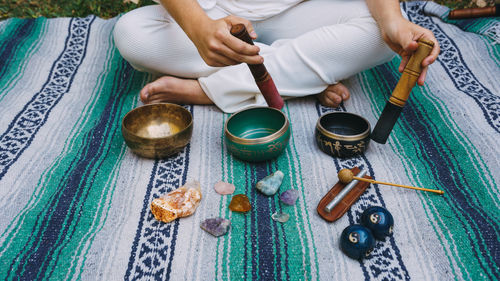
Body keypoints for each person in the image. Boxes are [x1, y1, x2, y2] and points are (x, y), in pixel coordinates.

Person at [113, 0, 440, 113]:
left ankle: (211, 90)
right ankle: (305, 75)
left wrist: (393, 21)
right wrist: (198, 28)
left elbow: (386, 24)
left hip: (304, 14)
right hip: (210, 12)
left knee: (381, 36)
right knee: (132, 34)